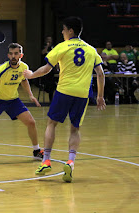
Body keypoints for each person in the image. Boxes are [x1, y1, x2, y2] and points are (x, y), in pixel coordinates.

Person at [24, 16, 106, 183]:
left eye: (63, 29)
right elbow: (101, 74)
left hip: (64, 91)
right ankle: (70, 161)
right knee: (75, 129)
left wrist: (32, 75)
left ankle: (46, 160)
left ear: (71, 31)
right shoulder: (91, 50)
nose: (62, 32)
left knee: (51, 123)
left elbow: (47, 69)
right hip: (82, 94)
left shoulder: (62, 47)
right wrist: (100, 96)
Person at [0, 43, 43, 164]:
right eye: (11, 54)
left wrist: (30, 95)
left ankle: (36, 151)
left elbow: (24, 80)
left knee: (31, 122)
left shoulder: (24, 67)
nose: (13, 56)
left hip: (13, 101)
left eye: (16, 53)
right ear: (8, 55)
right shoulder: (1, 69)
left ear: (21, 55)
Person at [40, 36, 57, 102]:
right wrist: (47, 46)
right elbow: (43, 52)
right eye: (48, 40)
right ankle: (45, 88)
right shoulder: (44, 46)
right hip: (44, 66)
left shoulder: (53, 47)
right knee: (47, 82)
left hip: (51, 67)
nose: (49, 41)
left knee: (53, 83)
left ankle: (52, 98)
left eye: (50, 40)